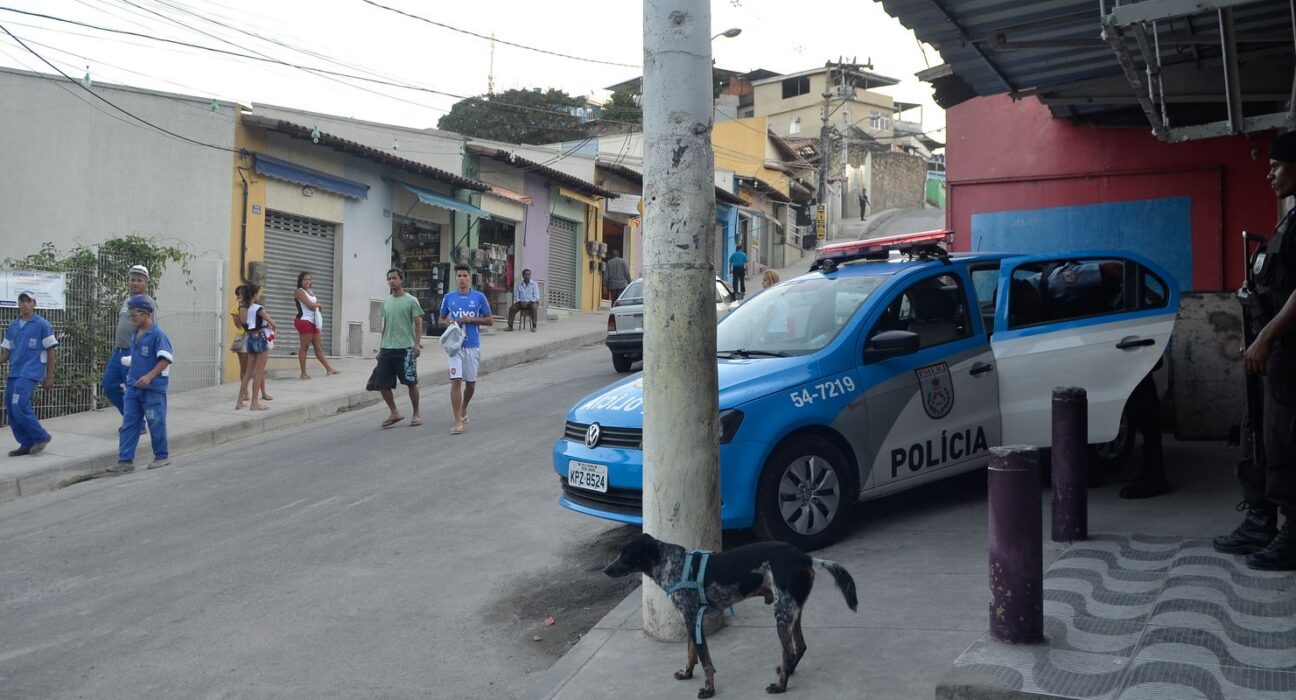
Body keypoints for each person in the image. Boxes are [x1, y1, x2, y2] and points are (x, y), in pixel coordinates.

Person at [1215, 131, 1296, 571]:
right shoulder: (1290, 219)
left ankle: (1292, 535)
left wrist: (1266, 338)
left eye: (1277, 164)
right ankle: (1263, 520)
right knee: (1261, 436)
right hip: (1275, 352)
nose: (1269, 172)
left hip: (1287, 351)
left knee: (1284, 442)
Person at [107, 295, 171, 472]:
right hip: (134, 387)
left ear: (145, 313)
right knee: (130, 422)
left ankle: (161, 456)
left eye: (134, 314)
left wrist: (149, 376)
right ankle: (125, 460)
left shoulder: (157, 335)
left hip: (152, 388)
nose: (132, 317)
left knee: (155, 421)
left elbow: (165, 359)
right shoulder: (135, 333)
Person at [439, 264, 492, 435]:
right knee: (456, 381)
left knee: (470, 385)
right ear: (455, 278)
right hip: (455, 347)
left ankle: (464, 407)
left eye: (465, 275)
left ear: (470, 278)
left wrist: (472, 319)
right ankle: (457, 421)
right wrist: (450, 323)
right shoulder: (448, 297)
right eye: (459, 275)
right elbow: (440, 319)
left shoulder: (479, 297)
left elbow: (489, 320)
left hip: (472, 345)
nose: (462, 278)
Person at [2, 290, 56, 456]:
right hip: (15, 372)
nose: (25, 304)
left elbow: (51, 352)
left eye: (28, 301)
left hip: (30, 372)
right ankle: (25, 443)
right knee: (11, 407)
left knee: (19, 404)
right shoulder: (13, 326)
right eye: (22, 301)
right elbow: (6, 352)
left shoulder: (42, 324)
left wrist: (49, 377)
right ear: (18, 304)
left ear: (34, 304)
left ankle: (40, 436)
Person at [373, 268, 423, 429]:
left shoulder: (411, 300)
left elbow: (418, 322)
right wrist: (381, 348)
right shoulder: (386, 302)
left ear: (402, 280)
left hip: (405, 348)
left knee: (410, 382)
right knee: (382, 383)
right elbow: (385, 325)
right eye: (389, 279)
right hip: (388, 348)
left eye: (394, 278)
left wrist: (416, 344)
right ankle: (394, 412)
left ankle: (416, 413)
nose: (391, 281)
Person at [103, 265, 155, 415]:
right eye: (132, 280)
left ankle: (137, 423)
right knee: (109, 385)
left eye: (139, 280)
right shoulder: (127, 301)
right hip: (118, 351)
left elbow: (151, 330)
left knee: (132, 389)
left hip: (133, 352)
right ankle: (130, 417)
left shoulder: (148, 303)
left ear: (146, 284)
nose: (135, 283)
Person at [1118, 365, 1169, 499]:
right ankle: (1153, 474)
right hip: (1137, 357)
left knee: (1145, 409)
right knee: (1144, 407)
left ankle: (1154, 476)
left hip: (1137, 357)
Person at [235, 284, 276, 411]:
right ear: (253, 295)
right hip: (261, 338)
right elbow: (273, 323)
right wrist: (271, 331)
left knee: (248, 372)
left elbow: (244, 324)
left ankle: (239, 402)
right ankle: (255, 403)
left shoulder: (243, 308)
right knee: (259, 371)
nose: (259, 295)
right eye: (258, 293)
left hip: (250, 338)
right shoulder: (259, 308)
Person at [293, 271, 340, 379]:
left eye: (309, 279)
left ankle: (329, 369)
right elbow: (310, 306)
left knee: (319, 347)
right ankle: (303, 373)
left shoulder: (310, 291)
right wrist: (318, 305)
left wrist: (317, 305)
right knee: (304, 347)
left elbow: (317, 306)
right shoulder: (298, 291)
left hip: (314, 321)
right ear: (300, 280)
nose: (307, 281)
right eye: (305, 279)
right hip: (304, 321)